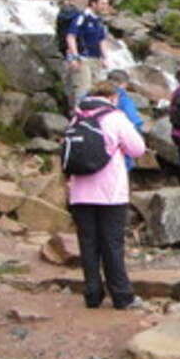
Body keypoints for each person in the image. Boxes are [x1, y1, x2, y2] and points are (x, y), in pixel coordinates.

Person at [67, 80, 146, 310]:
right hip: (110, 192)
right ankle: (122, 296)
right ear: (113, 97)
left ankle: (92, 294)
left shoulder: (77, 117)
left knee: (88, 243)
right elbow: (138, 149)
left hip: (80, 192)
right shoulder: (116, 117)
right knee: (112, 244)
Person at [63, 0, 115, 108]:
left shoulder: (98, 21)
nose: (105, 7)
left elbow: (101, 40)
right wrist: (75, 57)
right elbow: (71, 36)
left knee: (95, 90)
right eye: (102, 4)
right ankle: (79, 116)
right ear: (93, 4)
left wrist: (105, 57)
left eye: (106, 4)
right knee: (83, 89)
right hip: (83, 58)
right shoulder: (82, 17)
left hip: (95, 59)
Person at [106, 68, 144, 172]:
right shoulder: (123, 100)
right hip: (117, 150)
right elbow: (134, 123)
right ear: (123, 84)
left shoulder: (87, 97)